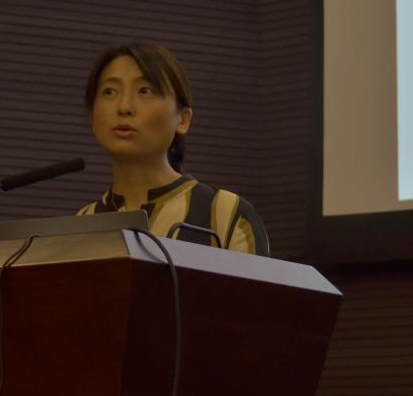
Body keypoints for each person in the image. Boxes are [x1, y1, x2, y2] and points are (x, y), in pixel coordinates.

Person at [77, 42, 270, 256]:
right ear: (93, 118)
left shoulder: (226, 214)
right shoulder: (79, 225)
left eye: (144, 91)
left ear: (183, 120)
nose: (124, 107)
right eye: (109, 91)